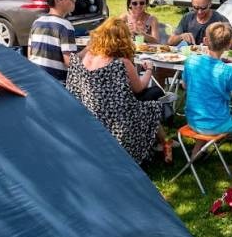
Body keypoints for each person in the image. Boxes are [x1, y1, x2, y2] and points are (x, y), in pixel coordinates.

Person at [66, 17, 172, 164]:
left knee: (151, 95)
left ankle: (164, 141)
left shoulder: (88, 56)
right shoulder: (121, 63)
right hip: (119, 118)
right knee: (155, 93)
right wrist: (149, 70)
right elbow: (139, 88)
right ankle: (165, 141)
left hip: (92, 113)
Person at [181, 22, 232, 180]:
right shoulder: (227, 72)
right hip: (215, 124)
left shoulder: (191, 61)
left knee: (206, 106)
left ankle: (196, 154)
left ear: (205, 40)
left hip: (193, 120)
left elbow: (184, 85)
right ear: (228, 46)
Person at [28, 0, 77, 81]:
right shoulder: (65, 26)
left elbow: (30, 55)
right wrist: (88, 49)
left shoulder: (37, 22)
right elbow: (70, 63)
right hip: (56, 84)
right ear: (57, 0)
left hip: (36, 79)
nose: (74, 0)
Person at [168, 0, 232, 49]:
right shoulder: (187, 17)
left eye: (203, 8)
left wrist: (217, 42)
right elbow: (170, 41)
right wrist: (181, 37)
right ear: (192, 3)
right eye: (196, 8)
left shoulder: (220, 19)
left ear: (210, 4)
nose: (199, 12)